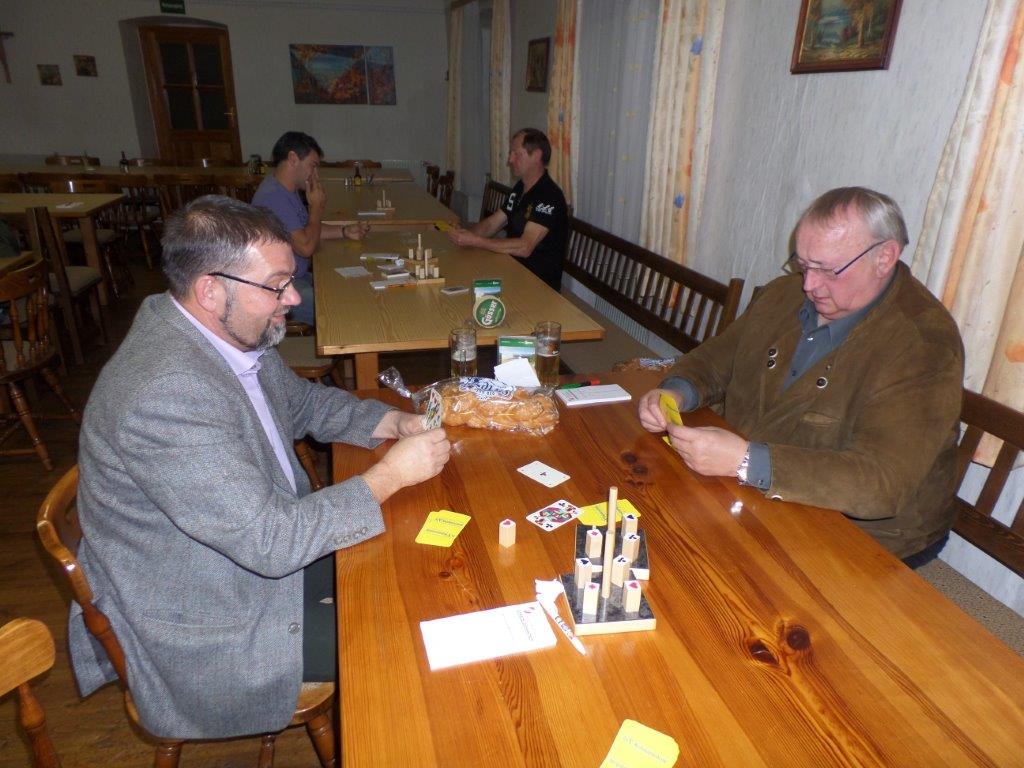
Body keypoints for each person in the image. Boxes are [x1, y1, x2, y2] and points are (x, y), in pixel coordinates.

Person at [69, 196, 451, 739]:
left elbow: (304, 402)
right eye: (276, 285)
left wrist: (390, 421)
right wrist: (389, 474)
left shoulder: (220, 331)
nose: (292, 298)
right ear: (210, 289)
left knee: (417, 570)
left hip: (247, 553)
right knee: (409, 635)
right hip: (217, 623)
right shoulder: (163, 394)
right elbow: (273, 543)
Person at [637, 187, 965, 561]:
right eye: (804, 264)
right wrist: (676, 392)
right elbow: (717, 359)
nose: (809, 285)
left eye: (828, 269)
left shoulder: (923, 344)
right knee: (643, 524)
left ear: (884, 257)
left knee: (698, 575)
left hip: (861, 534)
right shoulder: (784, 294)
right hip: (751, 489)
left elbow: (881, 483)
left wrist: (747, 461)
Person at [251, 131, 370, 325]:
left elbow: (306, 230)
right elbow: (306, 247)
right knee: (344, 313)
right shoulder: (274, 198)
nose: (315, 174)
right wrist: (316, 208)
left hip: (296, 276)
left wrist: (344, 231)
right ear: (293, 158)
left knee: (349, 289)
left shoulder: (286, 189)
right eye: (312, 166)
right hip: (279, 288)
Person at [447, 128, 569, 291]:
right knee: (459, 276)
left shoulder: (549, 196)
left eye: (516, 154)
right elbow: (493, 224)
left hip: (537, 285)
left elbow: (525, 247)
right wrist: (464, 235)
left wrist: (476, 241)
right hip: (512, 269)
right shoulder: (520, 187)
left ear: (536, 156)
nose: (510, 160)